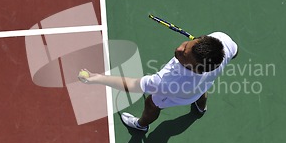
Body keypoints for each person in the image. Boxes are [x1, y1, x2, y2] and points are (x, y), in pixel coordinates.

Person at [78, 32, 238, 132]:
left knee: (152, 103)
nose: (179, 50)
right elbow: (235, 52)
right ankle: (200, 108)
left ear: (197, 68)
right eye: (186, 45)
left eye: (184, 57)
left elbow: (132, 85)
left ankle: (141, 125)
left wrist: (97, 78)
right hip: (203, 84)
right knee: (201, 91)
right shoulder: (221, 43)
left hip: (180, 94)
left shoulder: (166, 82)